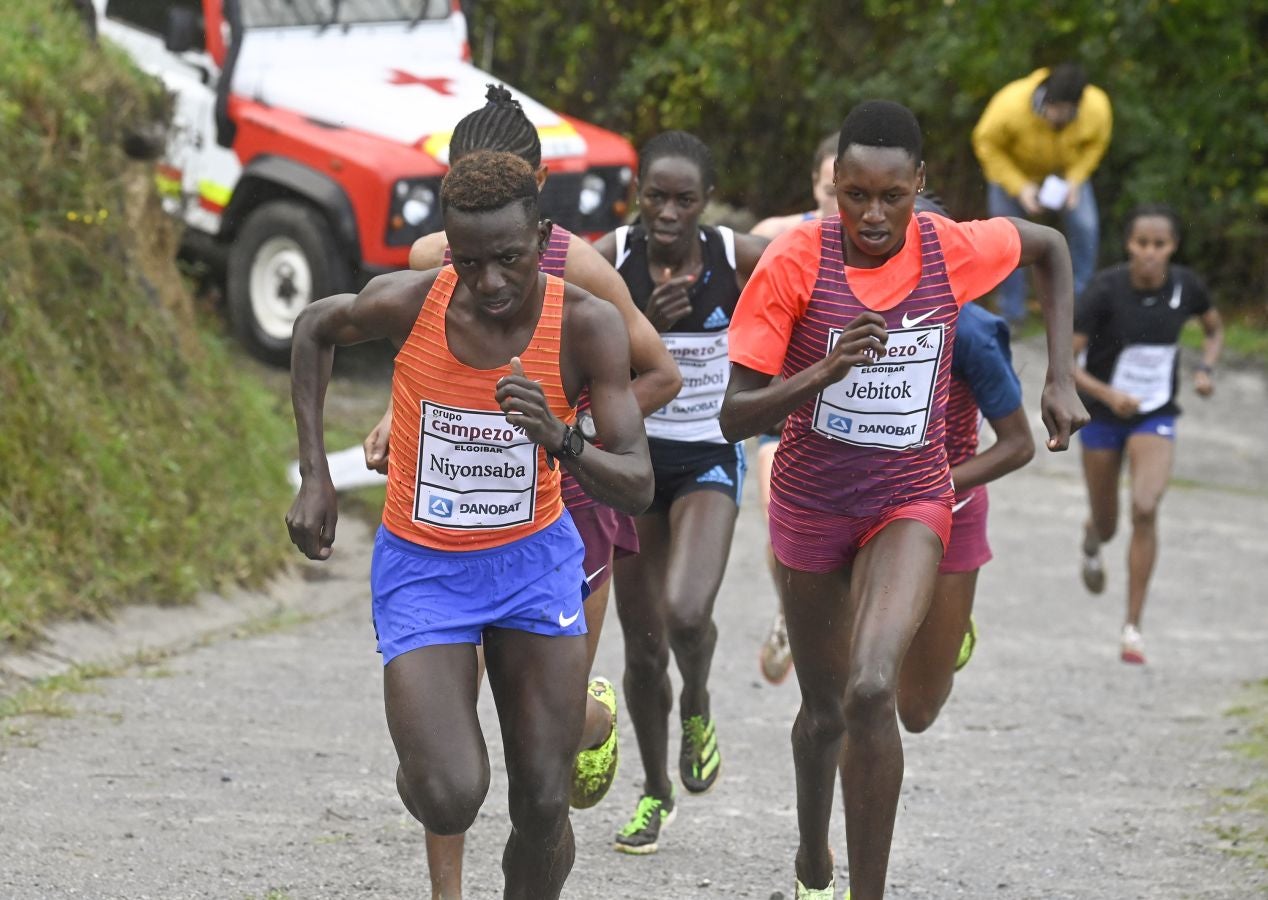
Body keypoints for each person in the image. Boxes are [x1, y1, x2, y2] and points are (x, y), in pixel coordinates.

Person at [720, 100, 1087, 900]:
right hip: (813, 503)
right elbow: (733, 414)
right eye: (856, 195)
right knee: (822, 712)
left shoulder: (949, 248)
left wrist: (1059, 373)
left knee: (873, 686)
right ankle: (813, 853)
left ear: (920, 184)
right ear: (834, 188)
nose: (875, 215)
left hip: (910, 498)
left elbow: (1052, 247)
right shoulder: (793, 263)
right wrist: (821, 372)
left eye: (894, 195)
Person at [286, 150, 653, 900]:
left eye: (508, 259)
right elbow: (315, 326)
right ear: (449, 247)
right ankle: (426, 757)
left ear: (543, 236)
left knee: (544, 802)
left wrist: (560, 438)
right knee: (451, 793)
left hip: (532, 568)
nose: (488, 282)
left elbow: (639, 482)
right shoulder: (414, 301)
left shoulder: (587, 326)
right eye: (469, 259)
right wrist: (315, 474)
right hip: (426, 569)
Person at [360, 86, 680, 898]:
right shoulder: (440, 257)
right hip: (444, 526)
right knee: (447, 752)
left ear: (535, 198)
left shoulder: (575, 269)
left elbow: (659, 373)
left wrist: (563, 433)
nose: (484, 267)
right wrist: (398, 424)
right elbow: (426, 364)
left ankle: (588, 726)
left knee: (544, 778)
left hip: (564, 505)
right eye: (463, 183)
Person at [592, 130, 769, 853]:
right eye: (654, 196)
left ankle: (697, 700)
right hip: (630, 465)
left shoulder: (736, 256)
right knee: (640, 648)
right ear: (637, 193)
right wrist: (643, 336)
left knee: (687, 613)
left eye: (683, 199)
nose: (666, 212)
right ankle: (655, 792)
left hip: (706, 457)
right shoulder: (610, 260)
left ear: (706, 201)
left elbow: (813, 274)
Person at [1073, 203, 1222, 665]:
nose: (1151, 253)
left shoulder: (1187, 288)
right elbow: (1065, 362)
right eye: (1142, 244)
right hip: (1101, 414)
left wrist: (1205, 368)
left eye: (1160, 245)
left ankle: (1132, 628)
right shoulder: (1104, 291)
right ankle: (1093, 536)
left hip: (1155, 414)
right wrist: (1108, 394)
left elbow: (1214, 331)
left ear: (1172, 247)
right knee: (1110, 521)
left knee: (1145, 507)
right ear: (1129, 245)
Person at [748, 133, 840, 685]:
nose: (838, 203)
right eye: (830, 191)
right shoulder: (772, 238)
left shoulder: (879, 246)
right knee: (781, 530)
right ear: (814, 185)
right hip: (783, 421)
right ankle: (790, 612)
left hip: (851, 421)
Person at [972, 62, 1112, 328]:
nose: (1056, 116)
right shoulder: (1010, 104)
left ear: (1077, 106)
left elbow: (1096, 145)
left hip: (1064, 175)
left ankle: (1079, 308)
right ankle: (1012, 312)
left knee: (1086, 226)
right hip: (1014, 173)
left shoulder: (1097, 107)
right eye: (1053, 108)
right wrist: (1019, 186)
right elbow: (986, 143)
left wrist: (1076, 179)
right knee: (1006, 236)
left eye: (1064, 111)